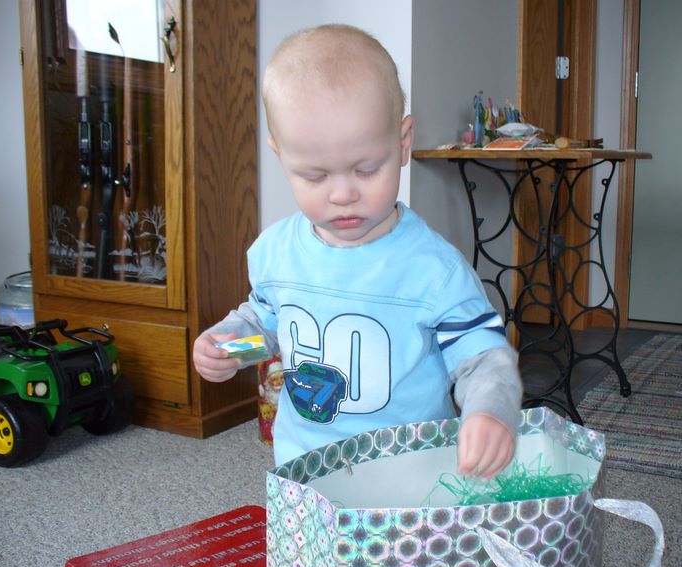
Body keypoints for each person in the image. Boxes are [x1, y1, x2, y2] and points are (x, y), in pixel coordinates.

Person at [193, 24, 522, 479]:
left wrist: (489, 412)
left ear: (402, 143)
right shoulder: (276, 253)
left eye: (367, 169)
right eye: (313, 176)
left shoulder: (433, 270)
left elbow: (482, 357)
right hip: (304, 472)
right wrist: (231, 347)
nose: (343, 193)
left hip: (407, 474)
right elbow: (271, 330)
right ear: (280, 155)